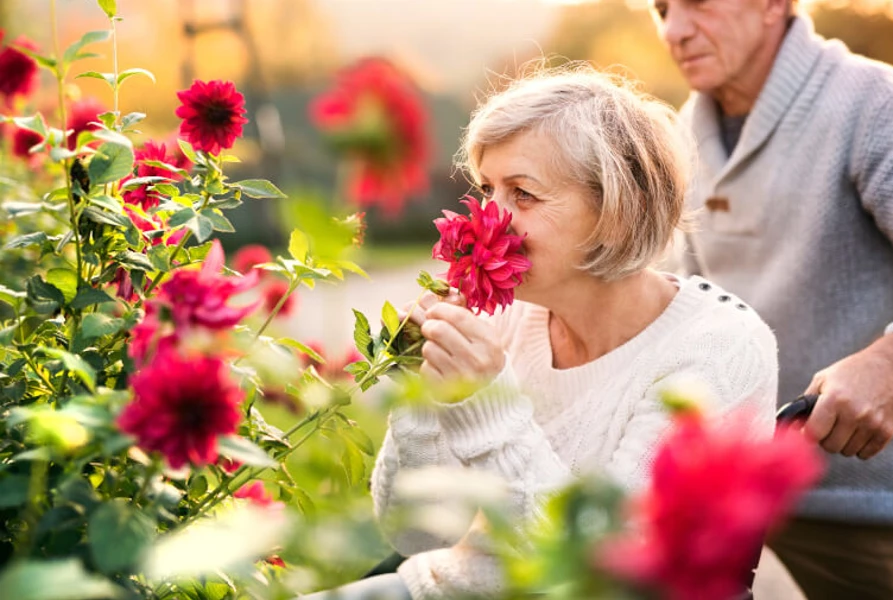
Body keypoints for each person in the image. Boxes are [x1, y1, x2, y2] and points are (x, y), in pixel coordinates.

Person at [301, 65, 779, 600]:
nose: (488, 219)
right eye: (487, 190)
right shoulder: (500, 316)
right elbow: (414, 533)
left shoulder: (719, 349)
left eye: (523, 195)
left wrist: (487, 405)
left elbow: (604, 577)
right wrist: (426, 396)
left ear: (618, 213)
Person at [649, 0, 893, 597]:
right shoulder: (682, 132)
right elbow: (681, 304)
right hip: (724, 492)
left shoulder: (872, 105)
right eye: (660, 8)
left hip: (857, 501)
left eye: (696, 4)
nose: (675, 30)